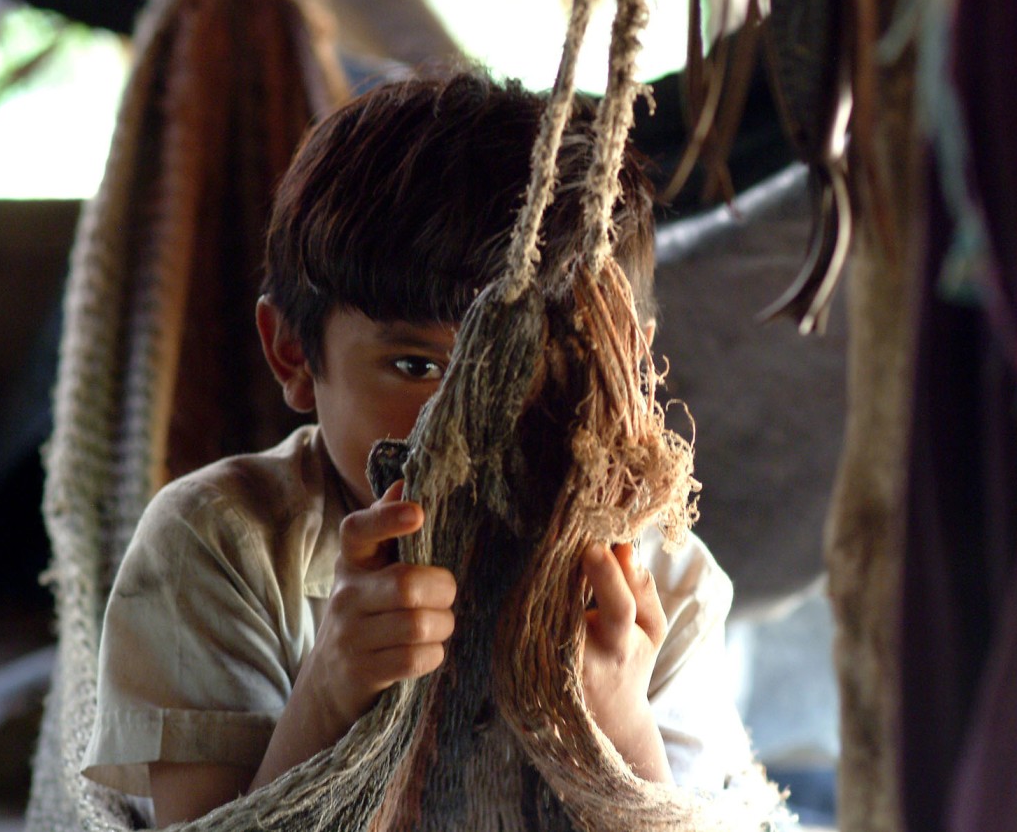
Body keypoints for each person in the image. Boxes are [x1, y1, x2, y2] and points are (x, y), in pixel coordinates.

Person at [80, 70, 755, 826]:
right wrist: (327, 695)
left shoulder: (661, 588)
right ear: (292, 354)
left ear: (628, 367)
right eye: (418, 367)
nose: (486, 418)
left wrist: (618, 726)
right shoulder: (220, 546)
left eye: (550, 370)